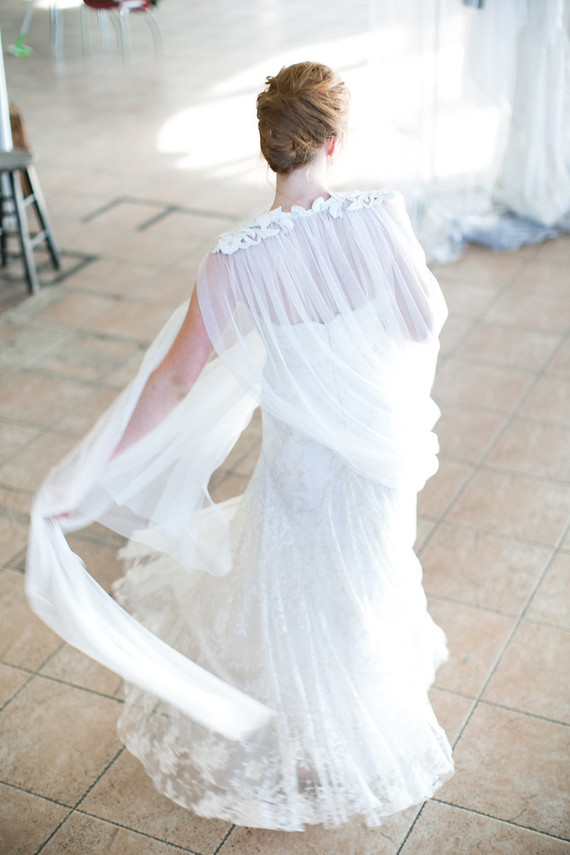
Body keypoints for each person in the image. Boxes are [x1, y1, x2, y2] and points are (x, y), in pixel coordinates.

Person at [27, 61, 453, 831]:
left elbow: (174, 380)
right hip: (377, 461)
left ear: (271, 148)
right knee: (363, 584)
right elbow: (422, 322)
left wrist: (88, 473)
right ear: (332, 140)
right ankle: (357, 725)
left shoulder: (235, 259)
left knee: (296, 594)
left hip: (300, 467)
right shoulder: (379, 216)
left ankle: (302, 750)